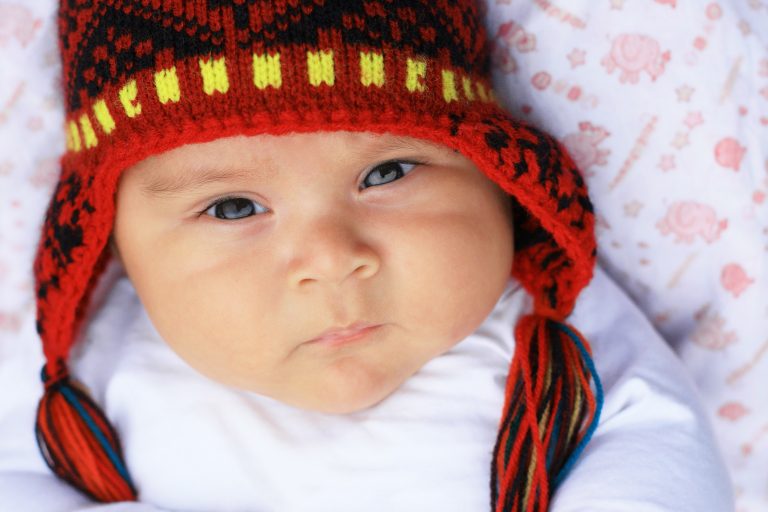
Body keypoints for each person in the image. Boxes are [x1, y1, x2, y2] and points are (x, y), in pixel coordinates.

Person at [3, 1, 733, 511]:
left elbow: (656, 450)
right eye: (232, 208)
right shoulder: (93, 352)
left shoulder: (548, 323)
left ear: (496, 173)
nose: (331, 259)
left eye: (386, 174)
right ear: (112, 245)